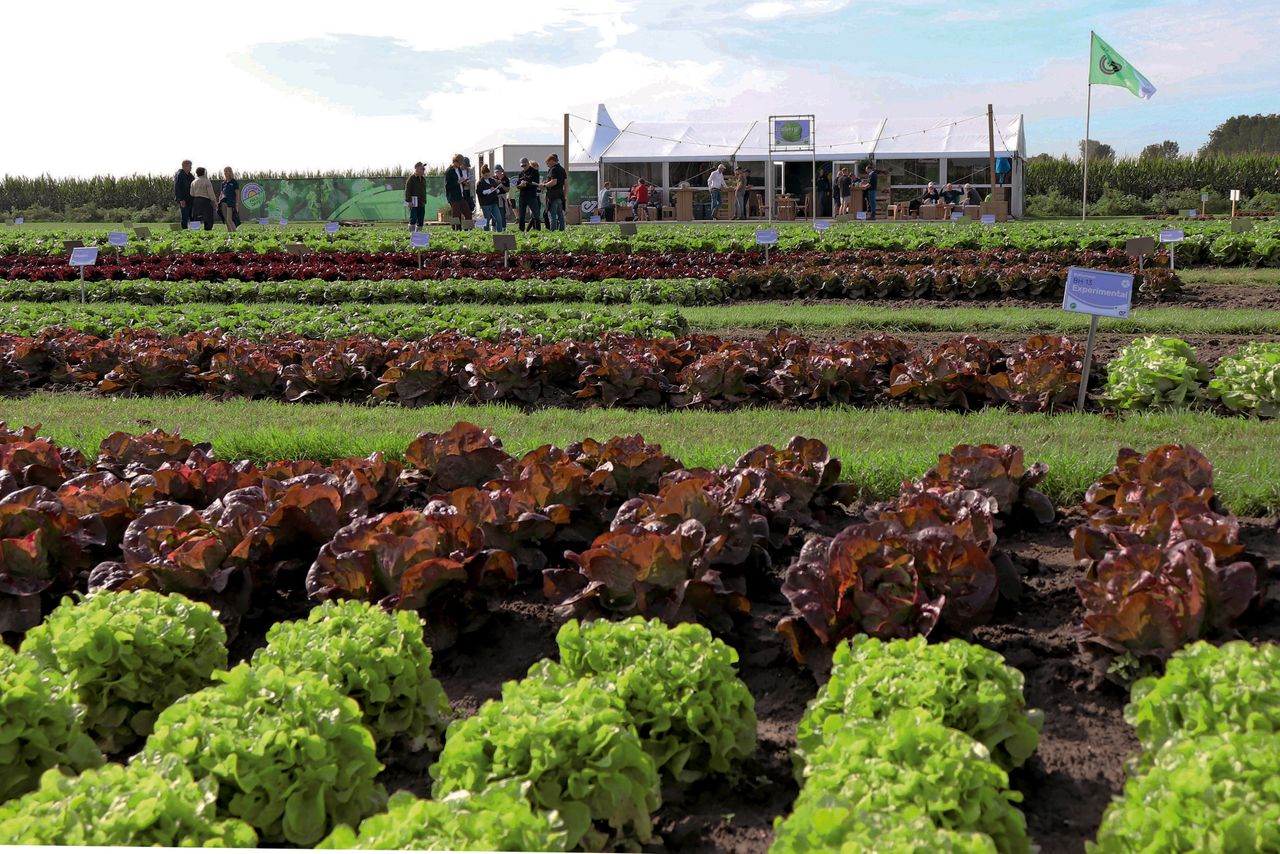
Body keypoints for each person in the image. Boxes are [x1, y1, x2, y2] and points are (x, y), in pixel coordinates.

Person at [542, 153, 567, 231]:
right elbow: (566, 184)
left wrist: (544, 185)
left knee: (552, 215)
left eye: (547, 163)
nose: (547, 165)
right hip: (560, 195)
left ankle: (553, 231)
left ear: (552, 161)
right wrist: (564, 195)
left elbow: (554, 182)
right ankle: (562, 230)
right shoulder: (562, 169)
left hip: (553, 195)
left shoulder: (553, 169)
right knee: (560, 215)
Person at [516, 157, 541, 231]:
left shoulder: (535, 172)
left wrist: (526, 183)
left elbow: (536, 183)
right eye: (522, 166)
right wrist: (520, 185)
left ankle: (538, 231)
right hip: (523, 196)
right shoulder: (521, 173)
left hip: (532, 196)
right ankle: (521, 232)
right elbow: (517, 185)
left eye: (525, 165)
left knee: (536, 215)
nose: (523, 167)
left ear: (528, 164)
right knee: (521, 216)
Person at [477, 164, 504, 231]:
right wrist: (489, 190)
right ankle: (486, 234)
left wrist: (497, 190)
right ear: (482, 174)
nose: (488, 176)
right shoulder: (480, 182)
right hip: (485, 204)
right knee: (486, 220)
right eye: (486, 175)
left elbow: (495, 188)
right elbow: (479, 193)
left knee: (499, 219)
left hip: (494, 202)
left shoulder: (492, 180)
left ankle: (500, 234)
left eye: (488, 175)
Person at [444, 154, 468, 229]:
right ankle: (455, 231)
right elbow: (447, 186)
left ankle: (469, 230)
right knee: (456, 215)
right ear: (455, 162)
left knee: (468, 213)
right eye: (460, 163)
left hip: (461, 196)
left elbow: (460, 181)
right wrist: (458, 182)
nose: (461, 165)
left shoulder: (459, 170)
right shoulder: (449, 171)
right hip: (453, 197)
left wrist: (464, 182)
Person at [405, 162, 427, 230]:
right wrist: (409, 201)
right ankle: (410, 234)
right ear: (417, 169)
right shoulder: (411, 178)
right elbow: (407, 190)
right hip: (413, 203)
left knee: (421, 220)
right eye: (422, 168)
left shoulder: (423, 179)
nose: (423, 170)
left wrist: (424, 201)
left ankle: (418, 235)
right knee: (413, 219)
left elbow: (423, 191)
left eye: (424, 169)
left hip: (421, 202)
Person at [219, 167, 240, 231]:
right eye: (224, 171)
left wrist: (237, 204)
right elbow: (221, 193)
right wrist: (219, 201)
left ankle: (234, 233)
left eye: (227, 171)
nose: (225, 173)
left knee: (229, 219)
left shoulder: (234, 182)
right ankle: (230, 233)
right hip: (223, 202)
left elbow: (237, 194)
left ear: (230, 172)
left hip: (231, 202)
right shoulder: (223, 183)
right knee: (226, 219)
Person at [173, 160, 194, 227]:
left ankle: (195, 232)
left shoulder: (190, 175)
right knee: (185, 217)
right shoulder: (180, 174)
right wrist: (181, 199)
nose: (191, 168)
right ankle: (184, 233)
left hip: (191, 199)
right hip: (184, 200)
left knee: (193, 217)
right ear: (185, 166)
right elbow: (177, 187)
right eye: (190, 166)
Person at [492, 165, 511, 231]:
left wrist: (502, 185)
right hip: (494, 198)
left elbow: (507, 190)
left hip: (502, 197)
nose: (498, 173)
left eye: (499, 171)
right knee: (494, 213)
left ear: (501, 171)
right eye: (496, 172)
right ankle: (494, 227)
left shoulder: (505, 179)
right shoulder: (493, 178)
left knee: (502, 213)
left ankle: (503, 228)